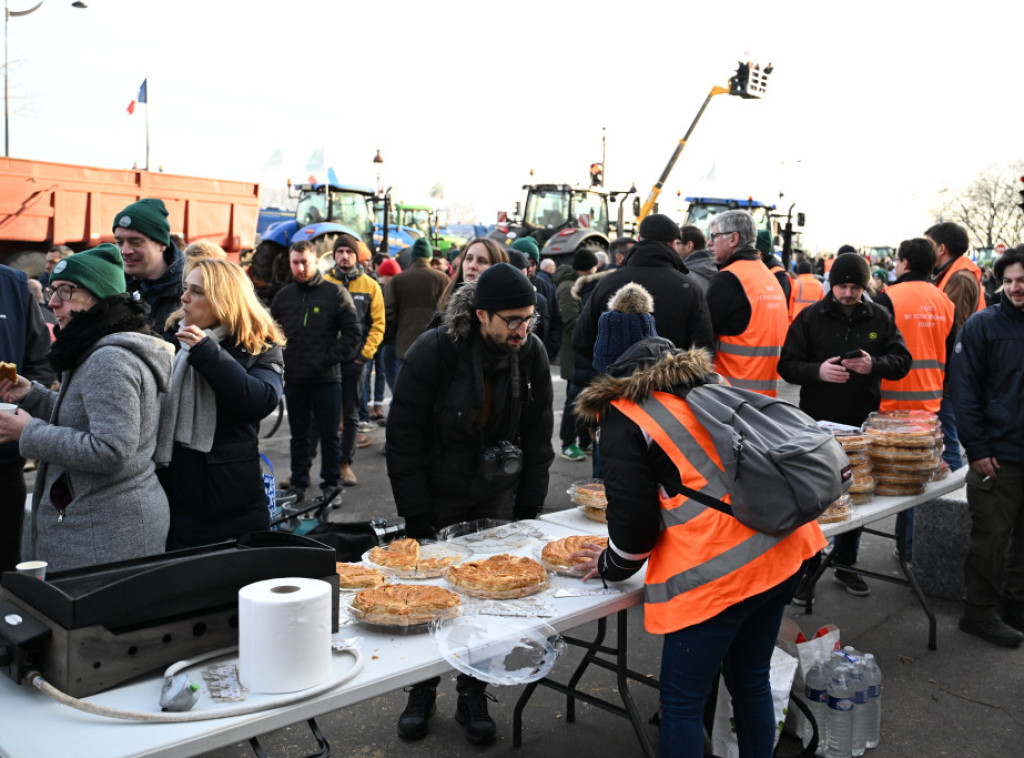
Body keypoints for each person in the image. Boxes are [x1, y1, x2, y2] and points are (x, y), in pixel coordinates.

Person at [572, 337, 826, 758]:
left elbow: (633, 533)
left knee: (681, 704)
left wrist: (609, 564)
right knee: (750, 679)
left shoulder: (623, 414)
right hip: (783, 548)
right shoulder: (709, 382)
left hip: (718, 573)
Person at [386, 263, 554, 744]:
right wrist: (416, 515)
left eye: (529, 318)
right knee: (429, 598)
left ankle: (473, 692)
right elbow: (403, 439)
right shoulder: (435, 350)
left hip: (496, 494)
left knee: (486, 600)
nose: (523, 329)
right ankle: (421, 691)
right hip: (436, 494)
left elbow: (539, 439)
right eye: (513, 320)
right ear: (481, 315)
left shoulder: (532, 353)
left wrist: (528, 514)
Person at [0, 244, 173, 572]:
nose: (52, 302)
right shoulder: (96, 348)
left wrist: (28, 432)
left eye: (66, 291)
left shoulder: (110, 359)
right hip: (98, 527)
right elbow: (84, 417)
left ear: (99, 298)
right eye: (52, 290)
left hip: (106, 535)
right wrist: (32, 395)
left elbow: (110, 450)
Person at [779, 252, 911, 600]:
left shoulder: (879, 317)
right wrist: (818, 372)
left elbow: (902, 361)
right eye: (842, 286)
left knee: (856, 494)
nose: (848, 293)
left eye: (855, 287)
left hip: (860, 424)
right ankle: (808, 567)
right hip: (816, 425)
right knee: (815, 498)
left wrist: (874, 365)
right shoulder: (810, 317)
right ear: (831, 285)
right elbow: (787, 365)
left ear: (864, 286)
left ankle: (846, 564)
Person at [156, 259, 285, 549]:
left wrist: (207, 351)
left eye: (197, 291)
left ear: (224, 300)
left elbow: (259, 400)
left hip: (229, 499)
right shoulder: (172, 337)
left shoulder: (257, 344)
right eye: (185, 288)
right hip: (170, 492)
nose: (184, 297)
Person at [949, 246, 1024, 647]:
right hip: (997, 457)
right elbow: (964, 393)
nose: (1015, 287)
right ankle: (979, 613)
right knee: (990, 541)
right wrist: (977, 449)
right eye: (1008, 280)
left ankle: (1015, 606)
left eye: (1022, 280)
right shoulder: (982, 326)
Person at [270, 240, 361, 502]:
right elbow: (271, 334)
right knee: (298, 436)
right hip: (295, 380)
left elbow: (353, 334)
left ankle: (330, 485)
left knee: (329, 435)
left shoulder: (335, 294)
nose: (300, 268)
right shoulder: (283, 297)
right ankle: (298, 483)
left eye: (305, 262)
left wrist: (327, 359)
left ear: (316, 262)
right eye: (295, 262)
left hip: (326, 379)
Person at [573, 214, 714, 362]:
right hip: (669, 375)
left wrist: (614, 365)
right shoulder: (688, 288)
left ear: (639, 239)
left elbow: (581, 341)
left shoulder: (607, 283)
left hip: (617, 376)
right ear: (673, 244)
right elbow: (703, 349)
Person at [0, 264, 54, 570]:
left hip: (4, 465)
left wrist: (21, 406)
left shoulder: (13, 285)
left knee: (5, 567)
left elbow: (41, 362)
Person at [705, 210, 788, 397]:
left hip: (731, 396)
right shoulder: (770, 278)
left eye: (714, 236)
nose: (709, 243)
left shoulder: (728, 279)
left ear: (733, 239)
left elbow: (702, 335)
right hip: (766, 397)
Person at [324, 233, 385, 486]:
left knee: (350, 415)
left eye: (349, 252)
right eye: (340, 252)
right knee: (321, 416)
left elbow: (378, 324)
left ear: (356, 256)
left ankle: (345, 465)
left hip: (354, 361)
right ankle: (305, 470)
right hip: (326, 362)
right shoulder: (324, 282)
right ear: (334, 255)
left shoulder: (370, 286)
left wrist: (364, 355)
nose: (344, 256)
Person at [925, 222, 984, 472]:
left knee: (947, 443)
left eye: (928, 244)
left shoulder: (959, 279)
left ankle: (952, 492)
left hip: (951, 374)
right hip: (951, 371)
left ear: (941, 249)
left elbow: (952, 328)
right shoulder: (955, 274)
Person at [555, 248, 608, 461]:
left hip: (582, 350)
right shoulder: (568, 287)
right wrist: (590, 330)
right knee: (572, 400)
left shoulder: (582, 284)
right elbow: (571, 321)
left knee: (583, 399)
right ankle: (567, 443)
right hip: (573, 351)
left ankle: (584, 440)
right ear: (590, 267)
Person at [113, 198, 185, 338]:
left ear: (162, 244)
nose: (125, 251)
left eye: (136, 242)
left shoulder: (189, 292)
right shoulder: (113, 287)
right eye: (119, 242)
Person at [385, 237, 450, 377]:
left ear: (413, 256)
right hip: (434, 346)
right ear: (429, 256)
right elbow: (448, 312)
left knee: (404, 386)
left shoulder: (398, 279)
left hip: (405, 345)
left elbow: (388, 314)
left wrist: (399, 331)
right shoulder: (442, 279)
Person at [434, 236, 508, 315]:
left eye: (481, 261)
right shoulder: (445, 302)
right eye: (469, 259)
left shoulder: (502, 311)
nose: (471, 266)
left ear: (496, 267)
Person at [678, 224, 714, 291]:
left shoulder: (684, 277)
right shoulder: (716, 268)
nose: (672, 247)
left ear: (689, 246)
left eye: (677, 243)